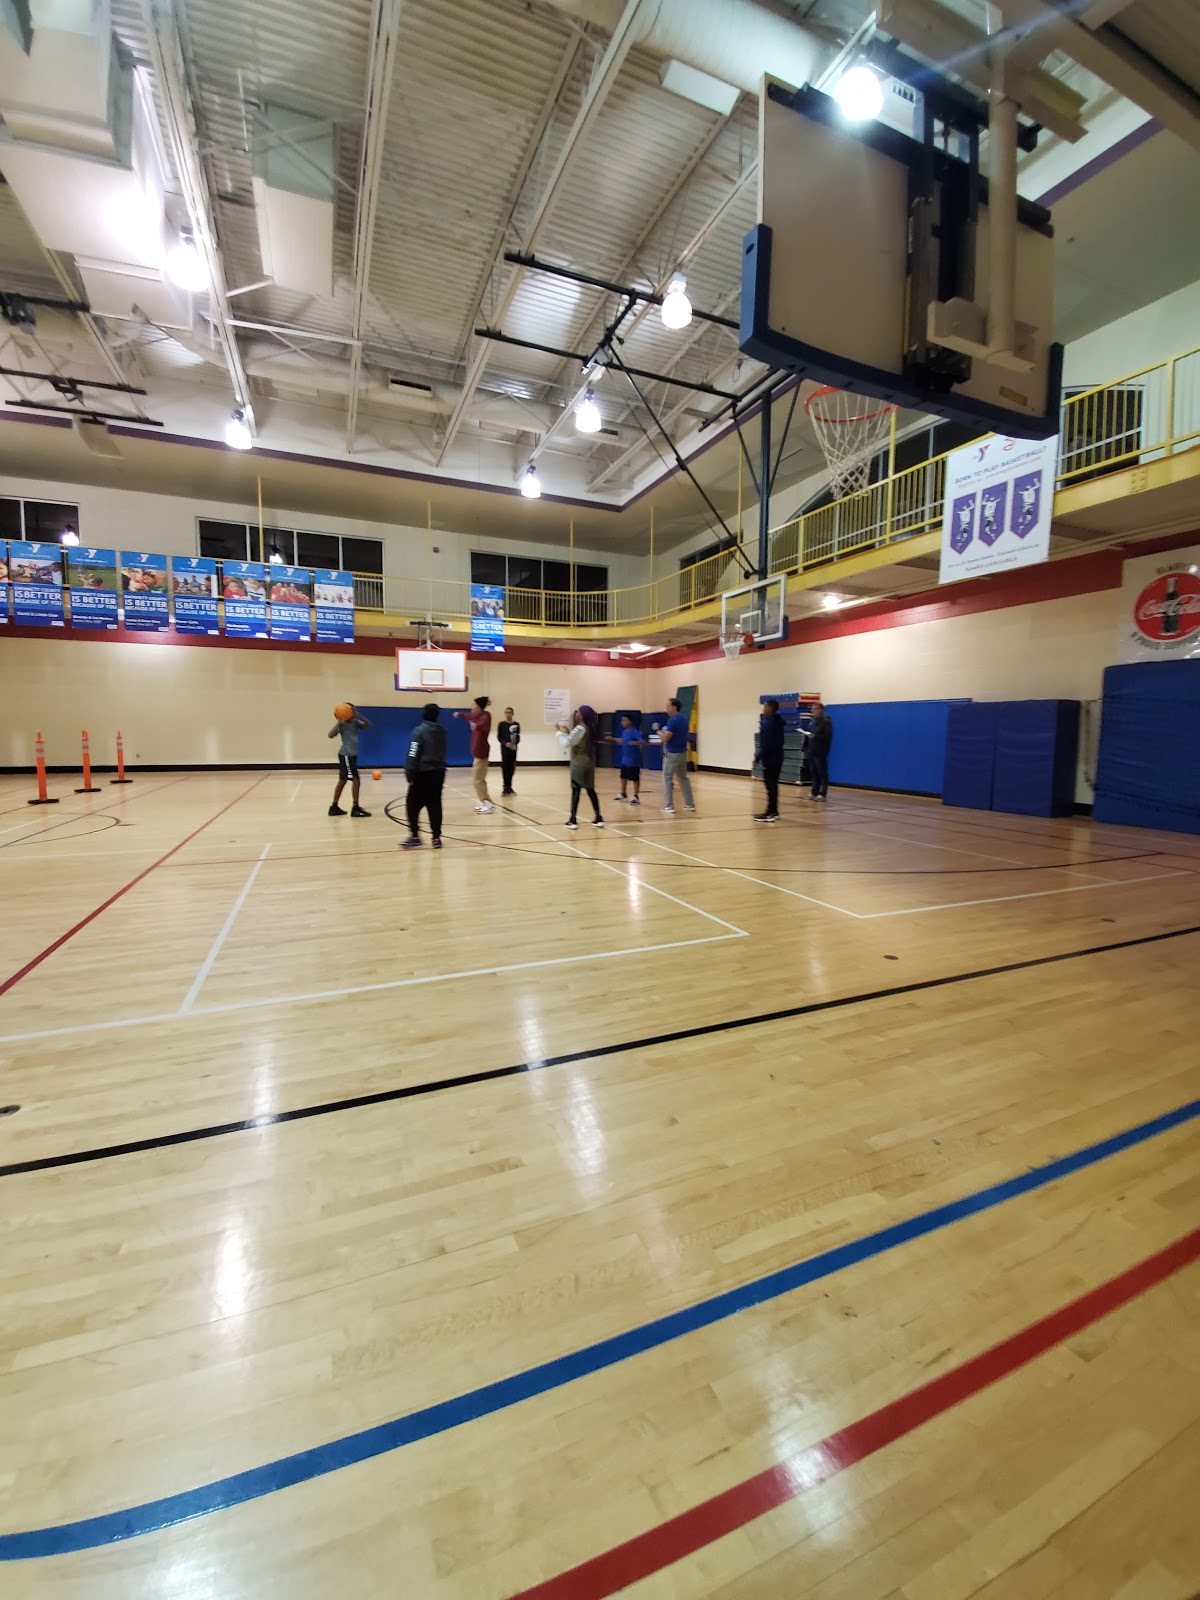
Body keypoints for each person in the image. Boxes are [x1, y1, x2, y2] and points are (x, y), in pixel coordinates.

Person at [401, 702, 447, 849]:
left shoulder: (419, 731)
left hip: (423, 772)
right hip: (439, 772)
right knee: (435, 804)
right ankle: (436, 838)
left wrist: (409, 773)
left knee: (412, 805)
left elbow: (413, 752)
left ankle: (415, 836)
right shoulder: (442, 732)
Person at [556, 705, 604, 829]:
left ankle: (573, 820)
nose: (576, 713)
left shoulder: (579, 728)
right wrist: (568, 733)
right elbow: (578, 740)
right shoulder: (588, 728)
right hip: (589, 763)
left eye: (578, 712)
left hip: (579, 763)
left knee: (576, 790)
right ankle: (598, 818)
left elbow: (566, 743)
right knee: (591, 790)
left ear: (582, 715)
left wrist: (558, 732)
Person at [328, 704, 372, 817]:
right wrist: (339, 721)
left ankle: (334, 807)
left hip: (351, 756)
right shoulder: (342, 724)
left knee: (343, 780)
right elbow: (330, 735)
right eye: (352, 710)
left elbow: (369, 724)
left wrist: (358, 715)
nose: (352, 712)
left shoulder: (355, 722)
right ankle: (355, 808)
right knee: (356, 780)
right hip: (346, 755)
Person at [654, 697, 694, 815]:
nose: (666, 709)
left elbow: (666, 738)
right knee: (683, 778)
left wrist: (657, 731)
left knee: (667, 778)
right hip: (682, 753)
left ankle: (669, 805)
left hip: (672, 753)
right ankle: (690, 804)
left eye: (668, 706)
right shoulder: (684, 719)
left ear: (674, 707)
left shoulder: (673, 720)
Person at [455, 695, 493, 813]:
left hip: (482, 754)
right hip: (477, 753)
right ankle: (486, 802)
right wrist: (459, 715)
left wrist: (477, 726)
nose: (472, 706)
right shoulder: (475, 716)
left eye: (474, 704)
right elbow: (468, 716)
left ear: (479, 707)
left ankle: (487, 803)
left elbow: (483, 723)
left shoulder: (485, 716)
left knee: (478, 780)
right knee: (478, 779)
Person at [755, 698, 785, 821]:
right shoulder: (777, 721)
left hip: (771, 758)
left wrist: (758, 757)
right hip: (778, 756)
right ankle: (772, 810)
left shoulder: (770, 723)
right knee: (772, 785)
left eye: (765, 707)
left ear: (770, 708)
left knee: (770, 785)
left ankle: (771, 812)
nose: (763, 709)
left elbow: (767, 743)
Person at [611, 714, 642, 804]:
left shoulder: (635, 732)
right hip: (625, 759)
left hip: (633, 760)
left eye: (624, 720)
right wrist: (612, 739)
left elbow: (641, 741)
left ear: (630, 721)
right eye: (622, 720)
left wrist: (635, 743)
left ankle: (636, 796)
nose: (622, 722)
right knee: (623, 777)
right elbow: (623, 740)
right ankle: (623, 794)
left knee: (635, 778)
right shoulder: (624, 732)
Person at [807, 701, 833, 802]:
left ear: (820, 710)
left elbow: (827, 737)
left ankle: (823, 793)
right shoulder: (813, 721)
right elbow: (809, 733)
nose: (812, 711)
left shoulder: (826, 721)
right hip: (811, 749)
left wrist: (815, 736)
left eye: (815, 709)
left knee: (822, 772)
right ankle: (814, 791)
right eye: (812, 709)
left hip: (820, 750)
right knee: (813, 772)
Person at [497, 705, 520, 796]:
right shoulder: (502, 724)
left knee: (512, 768)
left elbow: (517, 736)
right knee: (505, 767)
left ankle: (510, 787)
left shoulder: (516, 724)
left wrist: (515, 743)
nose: (508, 714)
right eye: (506, 712)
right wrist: (505, 743)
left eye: (509, 713)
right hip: (505, 749)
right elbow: (499, 737)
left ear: (512, 714)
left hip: (513, 749)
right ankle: (505, 787)